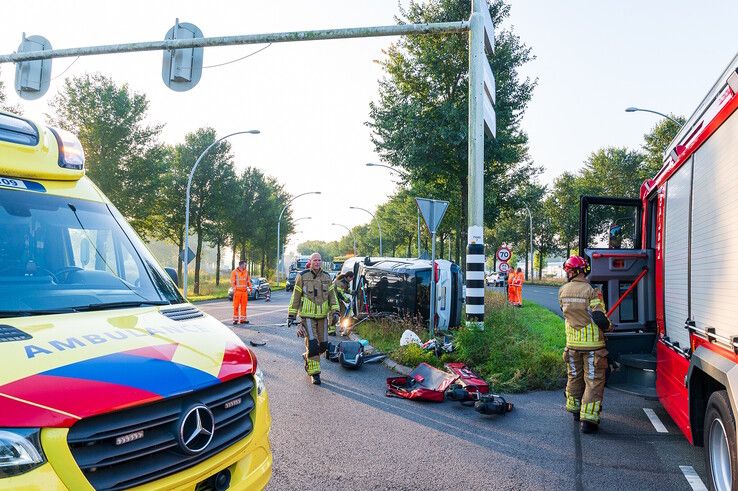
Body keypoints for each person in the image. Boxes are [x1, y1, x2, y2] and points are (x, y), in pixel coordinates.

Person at [559, 255, 612, 433]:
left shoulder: (563, 291)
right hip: (593, 347)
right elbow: (599, 317)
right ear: (584, 271)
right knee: (593, 382)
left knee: (574, 377)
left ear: (571, 272)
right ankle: (588, 420)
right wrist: (609, 327)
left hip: (572, 345)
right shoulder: (591, 291)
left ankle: (575, 410)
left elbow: (566, 314)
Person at [288, 252, 340, 385]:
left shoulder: (327, 277)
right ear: (310, 262)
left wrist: (335, 312)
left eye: (319, 260)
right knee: (313, 345)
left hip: (323, 318)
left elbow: (332, 296)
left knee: (323, 345)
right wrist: (292, 315)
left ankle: (307, 356)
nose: (317, 262)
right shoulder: (303, 276)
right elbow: (296, 296)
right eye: (315, 260)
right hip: (307, 318)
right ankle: (315, 374)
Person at [230, 260, 252, 325]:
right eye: (245, 265)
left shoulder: (246, 272)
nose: (245, 266)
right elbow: (232, 282)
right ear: (241, 265)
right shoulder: (234, 272)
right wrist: (235, 290)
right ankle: (235, 320)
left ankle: (243, 320)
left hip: (244, 292)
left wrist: (250, 288)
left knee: (244, 306)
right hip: (238, 292)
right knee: (236, 306)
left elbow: (248, 281)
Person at [333, 271, 355, 336]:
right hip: (334, 299)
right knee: (334, 314)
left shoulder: (346, 282)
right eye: (352, 278)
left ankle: (342, 327)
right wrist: (346, 300)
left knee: (343, 312)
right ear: (348, 277)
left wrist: (352, 292)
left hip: (339, 300)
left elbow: (345, 290)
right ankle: (331, 330)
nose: (352, 280)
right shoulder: (340, 282)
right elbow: (340, 293)